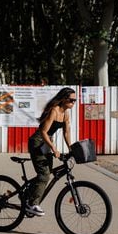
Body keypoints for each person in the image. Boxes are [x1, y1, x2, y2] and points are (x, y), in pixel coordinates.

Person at [27, 87, 76, 216]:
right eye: (71, 100)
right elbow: (43, 131)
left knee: (47, 174)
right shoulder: (54, 111)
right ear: (64, 99)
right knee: (44, 174)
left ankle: (28, 194)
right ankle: (32, 204)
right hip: (37, 143)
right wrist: (54, 148)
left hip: (46, 143)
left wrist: (71, 148)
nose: (73, 103)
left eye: (75, 101)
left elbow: (66, 132)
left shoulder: (65, 113)